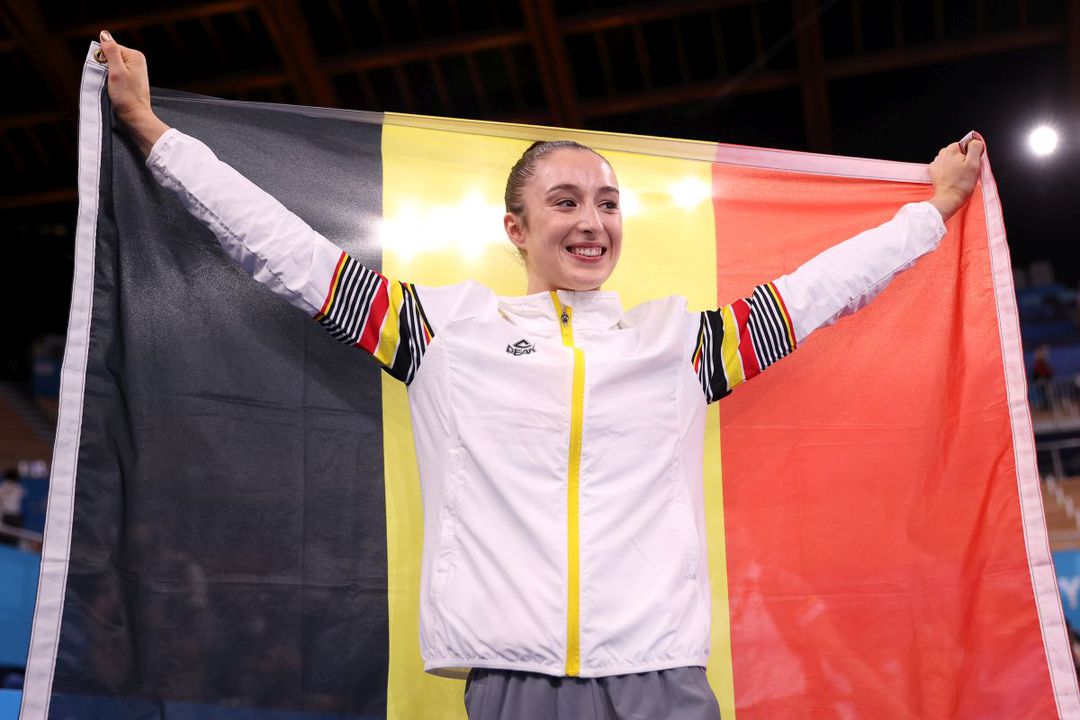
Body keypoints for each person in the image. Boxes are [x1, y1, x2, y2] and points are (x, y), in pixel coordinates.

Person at [97, 30, 983, 720]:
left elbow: (815, 293)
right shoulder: (439, 334)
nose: (592, 221)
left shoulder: (679, 346)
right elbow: (289, 253)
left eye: (607, 203)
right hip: (515, 682)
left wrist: (933, 211)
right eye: (565, 202)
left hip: (664, 678)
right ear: (516, 229)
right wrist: (153, 133)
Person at [0, 468, 26, 547]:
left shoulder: (2, 487)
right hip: (14, 516)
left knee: (3, 540)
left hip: (5, 515)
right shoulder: (19, 488)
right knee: (13, 541)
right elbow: (23, 500)